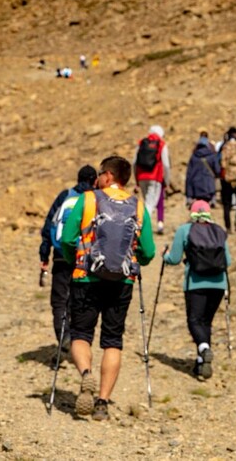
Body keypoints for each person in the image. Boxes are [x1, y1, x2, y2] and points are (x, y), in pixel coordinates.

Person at [60, 156, 156, 421]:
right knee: (113, 340)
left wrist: (74, 261)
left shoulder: (88, 199)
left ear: (109, 176)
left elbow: (67, 239)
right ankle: (102, 403)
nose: (97, 178)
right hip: (122, 281)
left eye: (101, 173)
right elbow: (148, 250)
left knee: (80, 333)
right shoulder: (138, 205)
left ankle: (86, 374)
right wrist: (139, 262)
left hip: (86, 277)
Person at [162, 200, 232, 380]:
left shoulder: (185, 230)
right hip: (218, 284)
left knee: (194, 320)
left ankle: (203, 348)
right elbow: (228, 261)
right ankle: (201, 363)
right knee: (206, 322)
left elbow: (175, 258)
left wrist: (165, 255)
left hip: (195, 283)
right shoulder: (218, 231)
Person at [39, 165, 98, 348]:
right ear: (95, 180)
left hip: (61, 255)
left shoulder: (65, 195)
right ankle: (79, 341)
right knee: (79, 298)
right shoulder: (96, 199)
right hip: (85, 257)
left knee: (59, 299)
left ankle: (64, 336)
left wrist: (44, 255)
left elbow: (50, 225)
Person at [134, 125, 175, 233]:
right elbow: (166, 165)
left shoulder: (141, 143)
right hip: (155, 178)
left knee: (147, 201)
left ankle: (141, 225)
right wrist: (166, 180)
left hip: (141, 177)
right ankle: (142, 227)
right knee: (150, 203)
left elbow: (134, 162)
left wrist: (136, 179)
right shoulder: (161, 144)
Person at [185, 132, 220, 208]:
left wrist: (189, 194)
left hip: (195, 187)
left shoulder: (194, 156)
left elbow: (189, 175)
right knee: (206, 210)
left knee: (197, 210)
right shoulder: (212, 155)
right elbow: (217, 171)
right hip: (209, 187)